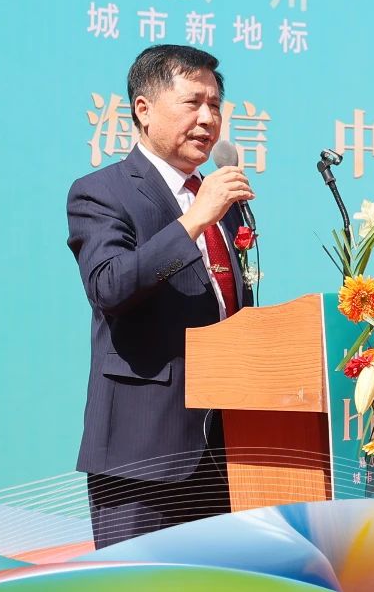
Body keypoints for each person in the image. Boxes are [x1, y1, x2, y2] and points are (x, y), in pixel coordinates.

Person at [65, 44, 254, 549]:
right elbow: (109, 285)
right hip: (142, 452)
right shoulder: (102, 192)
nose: (208, 119)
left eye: (215, 105)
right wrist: (194, 219)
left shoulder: (223, 202)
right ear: (143, 109)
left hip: (227, 452)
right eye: (193, 102)